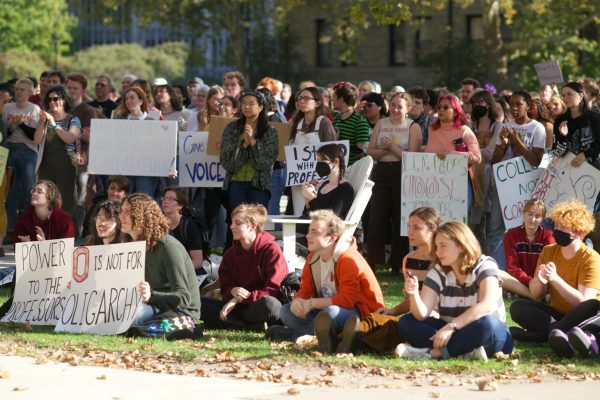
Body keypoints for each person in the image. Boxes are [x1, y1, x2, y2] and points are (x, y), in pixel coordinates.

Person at [267, 210, 385, 354]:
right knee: (286, 311)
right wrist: (298, 302)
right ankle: (328, 337)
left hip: (360, 314)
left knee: (330, 312)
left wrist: (311, 303)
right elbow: (305, 290)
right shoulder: (312, 257)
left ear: (332, 237)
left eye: (315, 232)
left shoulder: (348, 258)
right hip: (324, 312)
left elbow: (348, 300)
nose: (308, 236)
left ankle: (297, 335)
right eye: (309, 231)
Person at [396, 221, 513, 361]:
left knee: (488, 324)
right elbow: (421, 314)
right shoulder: (437, 272)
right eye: (437, 246)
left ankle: (434, 353)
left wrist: (452, 326)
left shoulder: (485, 264)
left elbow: (486, 305)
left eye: (443, 246)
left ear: (462, 246)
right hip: (451, 330)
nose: (438, 252)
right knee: (406, 322)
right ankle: (465, 352)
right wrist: (414, 294)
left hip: (484, 329)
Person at [351, 207, 442, 354]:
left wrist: (434, 312)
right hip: (415, 315)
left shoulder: (442, 260)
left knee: (398, 326)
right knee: (377, 319)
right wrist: (392, 311)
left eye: (416, 228)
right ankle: (343, 339)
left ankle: (353, 342)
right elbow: (412, 298)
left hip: (435, 320)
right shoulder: (409, 259)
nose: (410, 232)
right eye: (409, 226)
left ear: (432, 230)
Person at [510, 199, 600, 343]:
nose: (557, 230)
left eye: (563, 227)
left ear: (579, 232)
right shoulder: (548, 251)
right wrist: (540, 280)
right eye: (556, 225)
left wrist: (555, 279)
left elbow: (584, 302)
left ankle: (540, 336)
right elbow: (536, 295)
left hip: (584, 316)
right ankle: (560, 332)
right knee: (518, 307)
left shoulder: (591, 258)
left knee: (592, 305)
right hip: (558, 315)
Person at [202, 204, 287, 331]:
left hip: (259, 305)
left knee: (270, 304)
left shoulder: (271, 249)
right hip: (239, 309)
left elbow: (272, 289)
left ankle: (234, 323)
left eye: (238, 223)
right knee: (201, 304)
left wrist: (239, 299)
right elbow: (225, 286)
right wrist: (232, 291)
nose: (231, 227)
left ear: (252, 227)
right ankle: (253, 326)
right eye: (232, 223)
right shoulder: (230, 254)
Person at [121, 193, 201, 325]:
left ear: (143, 217)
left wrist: (151, 296)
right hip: (149, 305)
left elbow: (184, 298)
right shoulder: (131, 246)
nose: (121, 216)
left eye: (128, 211)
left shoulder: (168, 247)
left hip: (181, 312)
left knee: (129, 315)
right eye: (122, 211)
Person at [0, 180, 75, 318]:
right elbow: (20, 255)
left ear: (50, 196)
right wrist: (27, 248)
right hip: (31, 268)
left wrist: (45, 245)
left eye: (39, 191)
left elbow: (65, 254)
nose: (34, 193)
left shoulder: (64, 220)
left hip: (57, 270)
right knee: (18, 273)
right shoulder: (23, 219)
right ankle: (17, 306)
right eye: (33, 190)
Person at [367, 92, 422, 273]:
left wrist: (393, 147)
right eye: (393, 105)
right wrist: (384, 150)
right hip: (381, 172)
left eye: (400, 106)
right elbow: (370, 151)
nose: (395, 109)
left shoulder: (413, 127)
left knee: (401, 218)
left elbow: (412, 157)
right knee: (376, 218)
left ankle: (398, 263)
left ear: (408, 109)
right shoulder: (381, 123)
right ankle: (374, 261)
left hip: (403, 173)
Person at [220, 90, 278, 212]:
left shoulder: (270, 131)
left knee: (255, 222)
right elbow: (227, 162)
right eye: (244, 103)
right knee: (237, 221)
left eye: (251, 104)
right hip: (236, 184)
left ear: (261, 107)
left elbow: (265, 163)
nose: (246, 107)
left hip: (259, 185)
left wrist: (253, 142)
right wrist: (243, 145)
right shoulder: (232, 128)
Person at [468, 90, 505, 268]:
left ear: (489, 105)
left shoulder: (497, 126)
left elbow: (491, 153)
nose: (478, 106)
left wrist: (473, 154)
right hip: (473, 177)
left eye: (481, 103)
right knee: (475, 223)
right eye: (475, 103)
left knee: (492, 223)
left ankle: (494, 263)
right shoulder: (470, 124)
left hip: (491, 179)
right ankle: (477, 260)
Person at [425, 95, 481, 209]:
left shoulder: (464, 130)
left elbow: (476, 157)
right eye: (439, 107)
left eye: (446, 107)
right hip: (433, 183)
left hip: (458, 183)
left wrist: (451, 154)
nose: (441, 110)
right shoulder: (432, 129)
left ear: (456, 112)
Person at [34, 86, 82, 217]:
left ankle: (69, 235)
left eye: (55, 98)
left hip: (66, 167)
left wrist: (54, 124)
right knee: (46, 201)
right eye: (49, 100)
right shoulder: (46, 121)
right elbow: (37, 140)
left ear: (64, 100)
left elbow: (69, 138)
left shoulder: (73, 120)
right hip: (46, 165)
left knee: (66, 202)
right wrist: (42, 122)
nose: (52, 102)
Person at [3, 78, 41, 239]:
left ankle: (29, 230)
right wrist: (11, 127)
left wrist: (21, 124)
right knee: (9, 191)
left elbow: (34, 136)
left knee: (28, 190)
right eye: (17, 89)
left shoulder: (34, 109)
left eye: (22, 90)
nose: (18, 92)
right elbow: (5, 134)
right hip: (9, 148)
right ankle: (9, 230)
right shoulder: (7, 108)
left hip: (27, 150)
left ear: (30, 92)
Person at [501, 199, 555, 299]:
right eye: (530, 214)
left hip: (540, 281)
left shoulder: (548, 236)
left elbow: (548, 266)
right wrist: (529, 281)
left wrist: (536, 282)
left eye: (537, 216)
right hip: (519, 281)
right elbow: (512, 267)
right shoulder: (511, 235)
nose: (533, 219)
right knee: (497, 273)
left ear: (542, 218)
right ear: (523, 213)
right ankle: (533, 295)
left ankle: (526, 293)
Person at [112, 87, 160, 197]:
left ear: (141, 100)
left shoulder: (152, 122)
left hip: (146, 172)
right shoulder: (119, 121)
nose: (128, 101)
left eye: (132, 98)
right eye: (126, 99)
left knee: (142, 201)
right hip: (124, 170)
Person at [65, 72, 97, 238]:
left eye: (75, 88)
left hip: (81, 161)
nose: (71, 91)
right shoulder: (61, 107)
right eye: (69, 87)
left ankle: (79, 236)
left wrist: (72, 132)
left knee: (80, 201)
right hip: (62, 160)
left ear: (82, 90)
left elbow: (89, 136)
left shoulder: (88, 110)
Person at [553, 82, 600, 173]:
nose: (565, 98)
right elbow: (557, 153)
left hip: (593, 171)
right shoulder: (560, 120)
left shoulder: (594, 117)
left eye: (569, 94)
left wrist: (585, 154)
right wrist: (563, 136)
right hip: (568, 171)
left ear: (581, 96)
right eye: (563, 95)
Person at [492, 90, 546, 168]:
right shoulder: (505, 126)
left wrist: (516, 141)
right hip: (509, 176)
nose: (514, 108)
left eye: (518, 104)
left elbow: (536, 162)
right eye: (511, 104)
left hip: (528, 178)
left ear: (528, 106)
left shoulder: (537, 127)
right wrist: (503, 145)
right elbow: (495, 161)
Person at [162, 186, 205, 273]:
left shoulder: (189, 226)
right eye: (165, 198)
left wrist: (175, 270)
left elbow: (198, 261)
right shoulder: (158, 225)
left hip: (186, 273)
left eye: (171, 199)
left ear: (180, 205)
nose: (166, 201)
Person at [332, 82, 370, 166]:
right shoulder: (335, 119)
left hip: (352, 171)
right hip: (336, 168)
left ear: (341, 100)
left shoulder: (360, 121)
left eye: (334, 97)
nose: (332, 99)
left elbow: (364, 149)